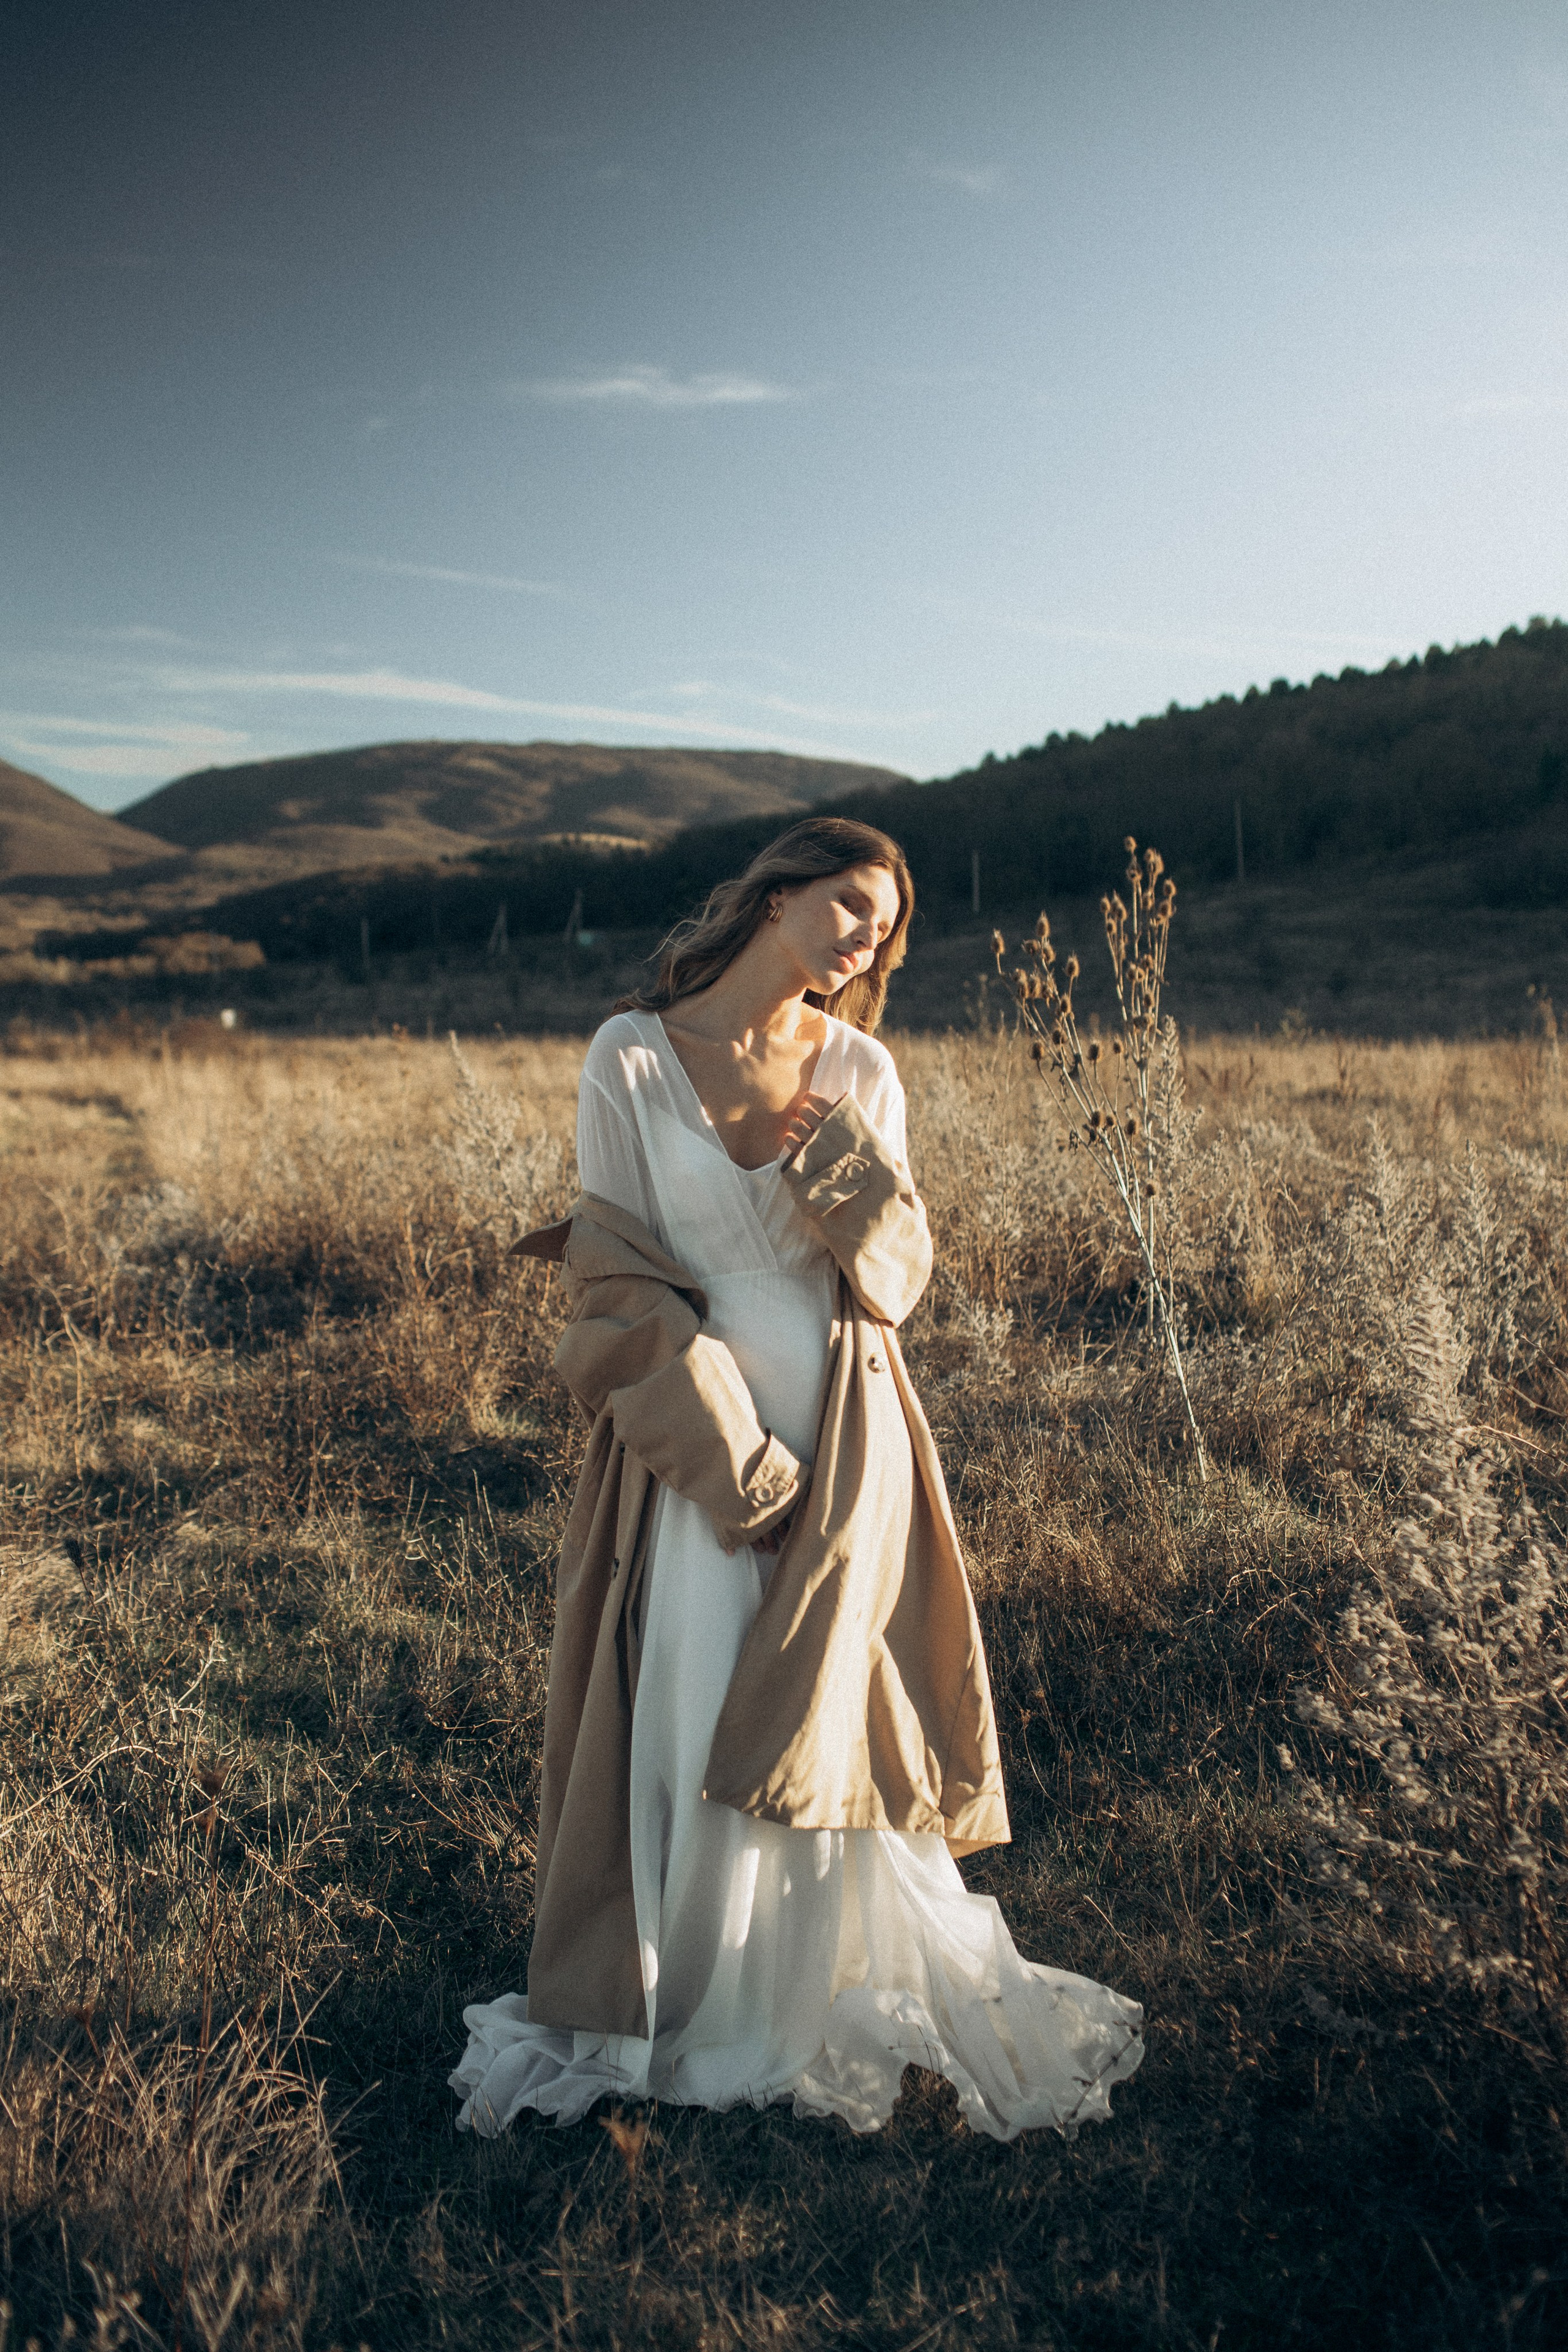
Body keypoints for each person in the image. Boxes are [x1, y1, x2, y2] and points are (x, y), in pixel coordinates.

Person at [451, 816, 1143, 2139]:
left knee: (830, 1701)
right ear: (773, 897)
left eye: (881, 926)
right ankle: (688, 1990)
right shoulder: (630, 1058)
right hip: (690, 1434)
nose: (863, 939)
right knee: (696, 1687)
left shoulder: (861, 1069)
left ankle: (815, 1987)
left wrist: (840, 1165)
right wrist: (735, 1467)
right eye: (844, 906)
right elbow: (613, 1284)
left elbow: (894, 1283)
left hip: (846, 1427)